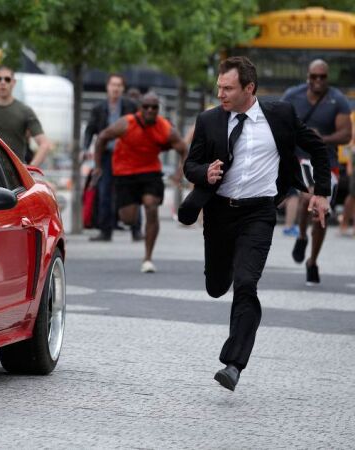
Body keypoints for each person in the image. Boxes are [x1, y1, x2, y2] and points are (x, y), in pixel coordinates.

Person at [182, 56, 330, 392]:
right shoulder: (209, 120)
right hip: (220, 213)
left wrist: (321, 192)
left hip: (259, 214)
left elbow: (318, 148)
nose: (220, 94)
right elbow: (190, 165)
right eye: (219, 87)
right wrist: (204, 173)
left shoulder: (280, 115)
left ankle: (233, 364)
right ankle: (227, 270)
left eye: (228, 88)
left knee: (246, 284)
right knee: (216, 285)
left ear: (249, 88)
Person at [91, 92, 187, 273]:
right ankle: (132, 218)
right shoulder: (126, 123)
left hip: (150, 172)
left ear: (158, 109)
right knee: (128, 219)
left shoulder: (164, 127)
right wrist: (97, 166)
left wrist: (179, 173)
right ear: (140, 108)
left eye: (154, 107)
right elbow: (102, 137)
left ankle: (148, 258)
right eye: (146, 106)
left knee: (151, 206)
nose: (150, 110)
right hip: (125, 173)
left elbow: (183, 149)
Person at [282, 59, 352, 285]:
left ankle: (312, 261)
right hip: (301, 159)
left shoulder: (337, 100)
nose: (318, 80)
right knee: (307, 198)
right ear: (308, 76)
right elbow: (279, 122)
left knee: (321, 212)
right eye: (314, 76)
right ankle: (302, 236)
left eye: (323, 76)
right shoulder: (293, 95)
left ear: (327, 78)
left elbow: (346, 135)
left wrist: (322, 138)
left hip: (327, 162)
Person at [83, 74, 139, 241]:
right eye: (113, 85)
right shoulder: (99, 108)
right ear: (107, 87)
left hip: (126, 155)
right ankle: (105, 231)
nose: (115, 88)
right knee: (104, 192)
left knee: (131, 191)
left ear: (123, 88)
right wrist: (85, 148)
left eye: (119, 85)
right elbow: (90, 129)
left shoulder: (130, 106)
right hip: (106, 155)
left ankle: (136, 230)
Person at [0, 65, 52, 167]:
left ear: (13, 82)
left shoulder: (25, 111)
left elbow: (44, 144)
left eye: (7, 79)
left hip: (14, 174)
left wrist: (31, 168)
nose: (3, 82)